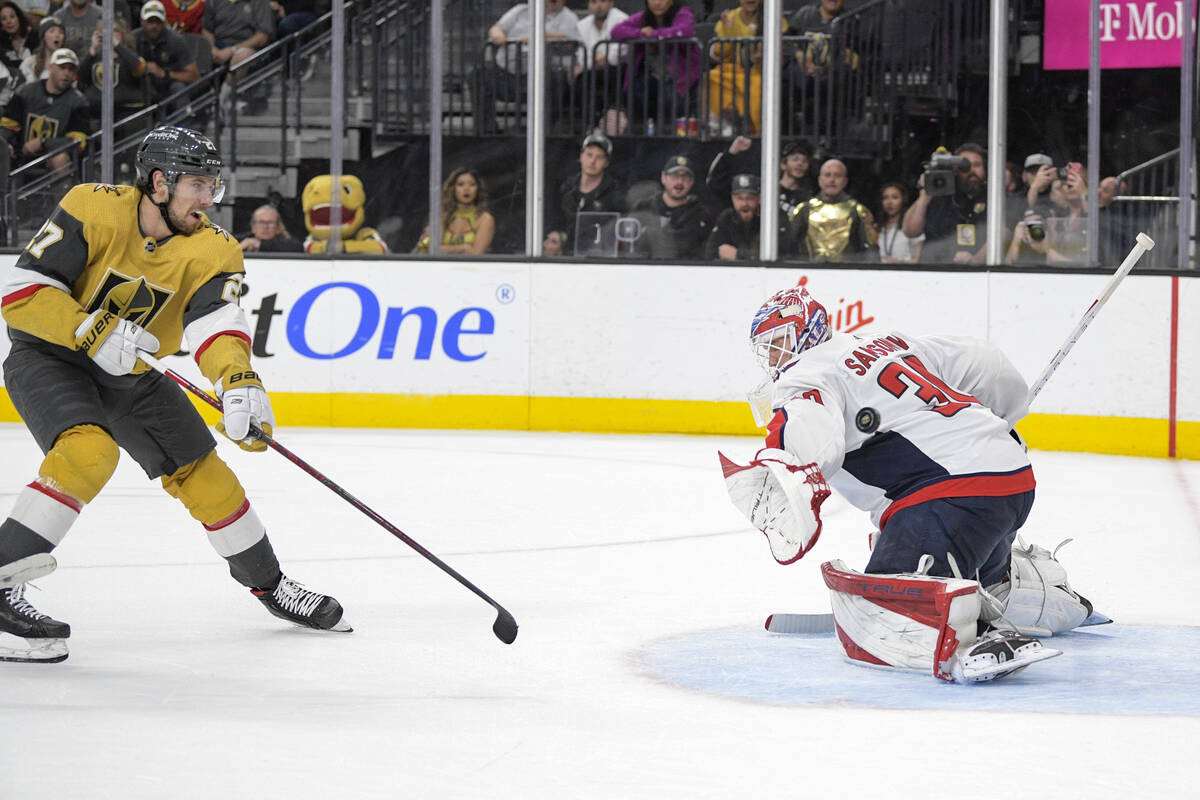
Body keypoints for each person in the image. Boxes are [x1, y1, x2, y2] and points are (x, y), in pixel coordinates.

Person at [0, 125, 350, 663]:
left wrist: (238, 381)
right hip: (50, 357)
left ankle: (271, 585)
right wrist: (87, 329)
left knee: (207, 475)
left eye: (214, 185)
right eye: (199, 185)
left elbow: (217, 324)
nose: (209, 199)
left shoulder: (216, 248)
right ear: (160, 182)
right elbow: (23, 293)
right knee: (89, 453)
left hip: (131, 373)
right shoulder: (90, 205)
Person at [721, 280, 1098, 683]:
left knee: (886, 604)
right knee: (948, 542)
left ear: (806, 331)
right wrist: (1001, 421)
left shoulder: (803, 376)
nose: (774, 356)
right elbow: (986, 363)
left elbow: (811, 436)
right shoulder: (890, 342)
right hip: (1013, 481)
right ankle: (1019, 589)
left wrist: (785, 466)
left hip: (954, 499)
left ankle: (973, 636)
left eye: (778, 342)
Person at [470, 0, 582, 136]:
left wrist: (542, 38)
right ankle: (486, 130)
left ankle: (546, 132)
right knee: (478, 75)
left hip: (541, 76)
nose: (551, 3)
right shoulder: (520, 10)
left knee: (556, 78)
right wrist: (498, 34)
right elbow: (497, 28)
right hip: (507, 72)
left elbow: (572, 44)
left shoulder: (568, 18)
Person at [606, 0, 700, 135]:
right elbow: (616, 31)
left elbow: (685, 31)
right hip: (650, 73)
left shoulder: (683, 14)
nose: (657, 3)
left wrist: (654, 35)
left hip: (677, 76)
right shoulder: (643, 17)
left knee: (670, 98)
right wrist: (642, 34)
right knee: (637, 90)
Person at [0, 46, 89, 177]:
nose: (66, 73)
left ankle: (63, 197)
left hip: (51, 158)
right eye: (62, 67)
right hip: (21, 155)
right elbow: (8, 125)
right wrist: (6, 143)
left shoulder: (78, 101)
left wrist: (43, 143)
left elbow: (78, 141)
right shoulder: (26, 92)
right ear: (51, 67)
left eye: (71, 69)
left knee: (60, 159)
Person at [705, 0, 787, 136]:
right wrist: (728, 32)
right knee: (711, 77)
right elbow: (718, 54)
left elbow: (786, 50)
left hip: (763, 71)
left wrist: (765, 55)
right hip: (735, 71)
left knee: (760, 83)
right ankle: (722, 128)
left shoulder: (774, 16)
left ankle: (756, 132)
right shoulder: (729, 18)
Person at [902, 142, 988, 264]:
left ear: (985, 169)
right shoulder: (938, 194)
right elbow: (910, 231)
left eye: (977, 165)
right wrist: (925, 194)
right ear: (955, 171)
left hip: (975, 274)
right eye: (965, 166)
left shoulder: (993, 199)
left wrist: (976, 260)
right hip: (933, 270)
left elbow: (1003, 234)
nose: (971, 170)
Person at [544, 130, 625, 255]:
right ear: (581, 156)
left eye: (599, 157)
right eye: (589, 154)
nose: (592, 161)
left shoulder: (615, 193)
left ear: (606, 163)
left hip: (599, 258)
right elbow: (554, 222)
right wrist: (556, 236)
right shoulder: (565, 188)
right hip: (564, 258)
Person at [785, 157, 875, 262]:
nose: (832, 180)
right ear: (819, 180)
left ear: (845, 181)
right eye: (827, 175)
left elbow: (870, 250)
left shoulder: (858, 211)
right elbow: (791, 247)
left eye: (837, 175)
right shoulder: (805, 210)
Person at [626, 153, 711, 260]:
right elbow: (627, 242)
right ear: (663, 178)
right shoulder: (643, 207)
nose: (680, 182)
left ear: (692, 182)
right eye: (675, 176)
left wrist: (651, 234)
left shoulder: (701, 214)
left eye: (686, 177)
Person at [78, 19, 150, 129]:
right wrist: (92, 50)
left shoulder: (130, 57)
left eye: (115, 31)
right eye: (106, 31)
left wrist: (117, 45)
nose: (110, 35)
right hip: (98, 113)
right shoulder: (94, 58)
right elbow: (79, 77)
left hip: (126, 114)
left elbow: (139, 69)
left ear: (123, 34)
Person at [414, 167, 496, 255]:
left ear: (478, 189)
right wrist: (463, 248)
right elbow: (432, 249)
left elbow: (476, 254)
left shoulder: (485, 219)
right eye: (461, 184)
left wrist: (446, 249)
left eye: (472, 184)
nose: (466, 189)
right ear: (453, 189)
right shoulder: (444, 216)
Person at [134, 0, 201, 107]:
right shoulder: (133, 38)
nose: (154, 26)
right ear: (142, 21)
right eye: (150, 22)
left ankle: (183, 120)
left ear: (164, 22)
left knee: (178, 87)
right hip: (142, 83)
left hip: (169, 85)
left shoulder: (176, 40)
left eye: (158, 22)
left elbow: (194, 76)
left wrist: (165, 74)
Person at [575, 0, 627, 129]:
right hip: (592, 71)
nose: (598, 6)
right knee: (580, 81)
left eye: (602, 1)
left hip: (619, 70)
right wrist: (598, 58)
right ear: (588, 5)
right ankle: (589, 126)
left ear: (611, 3)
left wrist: (601, 56)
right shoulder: (582, 25)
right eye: (593, 2)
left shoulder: (622, 20)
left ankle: (613, 124)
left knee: (612, 76)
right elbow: (582, 57)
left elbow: (619, 52)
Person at [703, 172, 759, 261]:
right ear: (732, 198)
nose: (745, 203)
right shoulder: (727, 218)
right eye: (739, 198)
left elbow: (782, 256)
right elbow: (710, 252)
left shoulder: (769, 219)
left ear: (758, 198)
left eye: (750, 198)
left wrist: (738, 255)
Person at [875, 181, 922, 264]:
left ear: (903, 200)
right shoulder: (876, 227)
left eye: (895, 197)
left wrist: (899, 262)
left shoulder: (912, 227)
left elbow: (919, 261)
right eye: (885, 198)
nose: (889, 202)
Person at [19, 14, 62, 83]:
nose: (57, 35)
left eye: (61, 32)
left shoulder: (67, 65)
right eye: (52, 31)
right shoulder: (29, 63)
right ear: (43, 37)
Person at [0, 1, 30, 78]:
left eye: (12, 16)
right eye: (3, 19)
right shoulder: (2, 43)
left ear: (19, 18)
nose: (9, 22)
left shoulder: (33, 36)